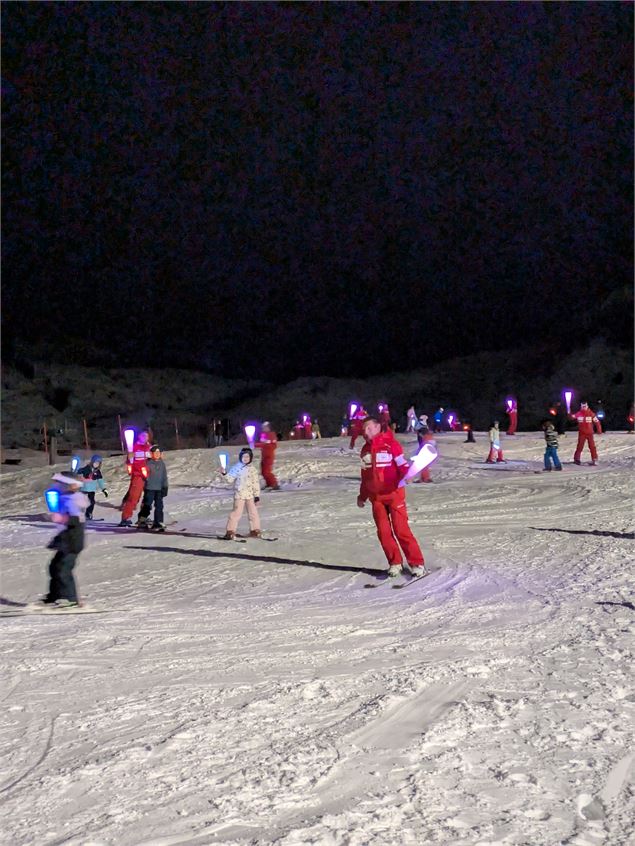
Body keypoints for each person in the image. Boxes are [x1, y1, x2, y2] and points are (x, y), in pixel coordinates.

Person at [357, 417, 426, 578]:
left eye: (369, 429)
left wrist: (407, 475)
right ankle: (395, 562)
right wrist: (362, 496)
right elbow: (365, 476)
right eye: (363, 430)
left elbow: (402, 465)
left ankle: (417, 563)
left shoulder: (391, 445)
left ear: (377, 427)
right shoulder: (365, 450)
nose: (365, 433)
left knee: (401, 529)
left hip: (394, 494)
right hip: (376, 498)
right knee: (383, 532)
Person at [40, 472, 89, 607]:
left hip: (73, 540)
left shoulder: (76, 500)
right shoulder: (65, 498)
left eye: (61, 484)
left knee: (63, 569)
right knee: (54, 567)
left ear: (72, 486)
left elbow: (78, 520)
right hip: (65, 539)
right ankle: (54, 596)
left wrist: (62, 518)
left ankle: (70, 599)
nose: (57, 486)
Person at [219, 447, 262, 539]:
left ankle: (255, 530)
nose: (245, 458)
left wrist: (257, 496)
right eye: (244, 457)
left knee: (253, 513)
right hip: (240, 495)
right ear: (240, 457)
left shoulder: (253, 469)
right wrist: (224, 473)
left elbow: (255, 483)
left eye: (247, 457)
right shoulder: (236, 468)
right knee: (236, 513)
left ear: (250, 458)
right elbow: (230, 479)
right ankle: (230, 531)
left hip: (250, 495)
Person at [119, 430, 150, 526]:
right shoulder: (134, 448)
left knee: (148, 498)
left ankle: (143, 517)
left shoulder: (149, 447)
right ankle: (125, 518)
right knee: (134, 497)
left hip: (149, 476)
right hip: (138, 476)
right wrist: (130, 459)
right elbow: (130, 462)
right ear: (139, 436)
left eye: (147, 436)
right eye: (143, 435)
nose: (145, 437)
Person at [137, 445, 169, 530]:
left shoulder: (162, 464)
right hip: (150, 488)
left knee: (159, 506)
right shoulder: (148, 463)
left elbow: (164, 476)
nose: (157, 454)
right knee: (147, 505)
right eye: (155, 453)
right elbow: (144, 474)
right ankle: (142, 520)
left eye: (159, 452)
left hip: (159, 489)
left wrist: (165, 487)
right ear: (151, 454)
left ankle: (158, 522)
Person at [77, 454, 108, 520]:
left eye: (98, 463)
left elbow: (100, 481)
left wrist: (104, 489)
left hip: (91, 490)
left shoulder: (97, 472)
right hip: (84, 489)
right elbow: (79, 472)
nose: (96, 464)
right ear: (92, 462)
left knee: (91, 502)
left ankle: (88, 514)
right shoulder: (86, 468)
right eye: (95, 462)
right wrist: (79, 473)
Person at [255, 421, 279, 490]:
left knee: (267, 472)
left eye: (265, 427)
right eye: (263, 427)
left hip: (269, 456)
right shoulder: (263, 435)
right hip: (264, 456)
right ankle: (269, 484)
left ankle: (274, 484)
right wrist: (254, 444)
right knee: (263, 471)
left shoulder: (272, 435)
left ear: (268, 428)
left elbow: (273, 445)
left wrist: (257, 445)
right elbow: (261, 444)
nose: (263, 428)